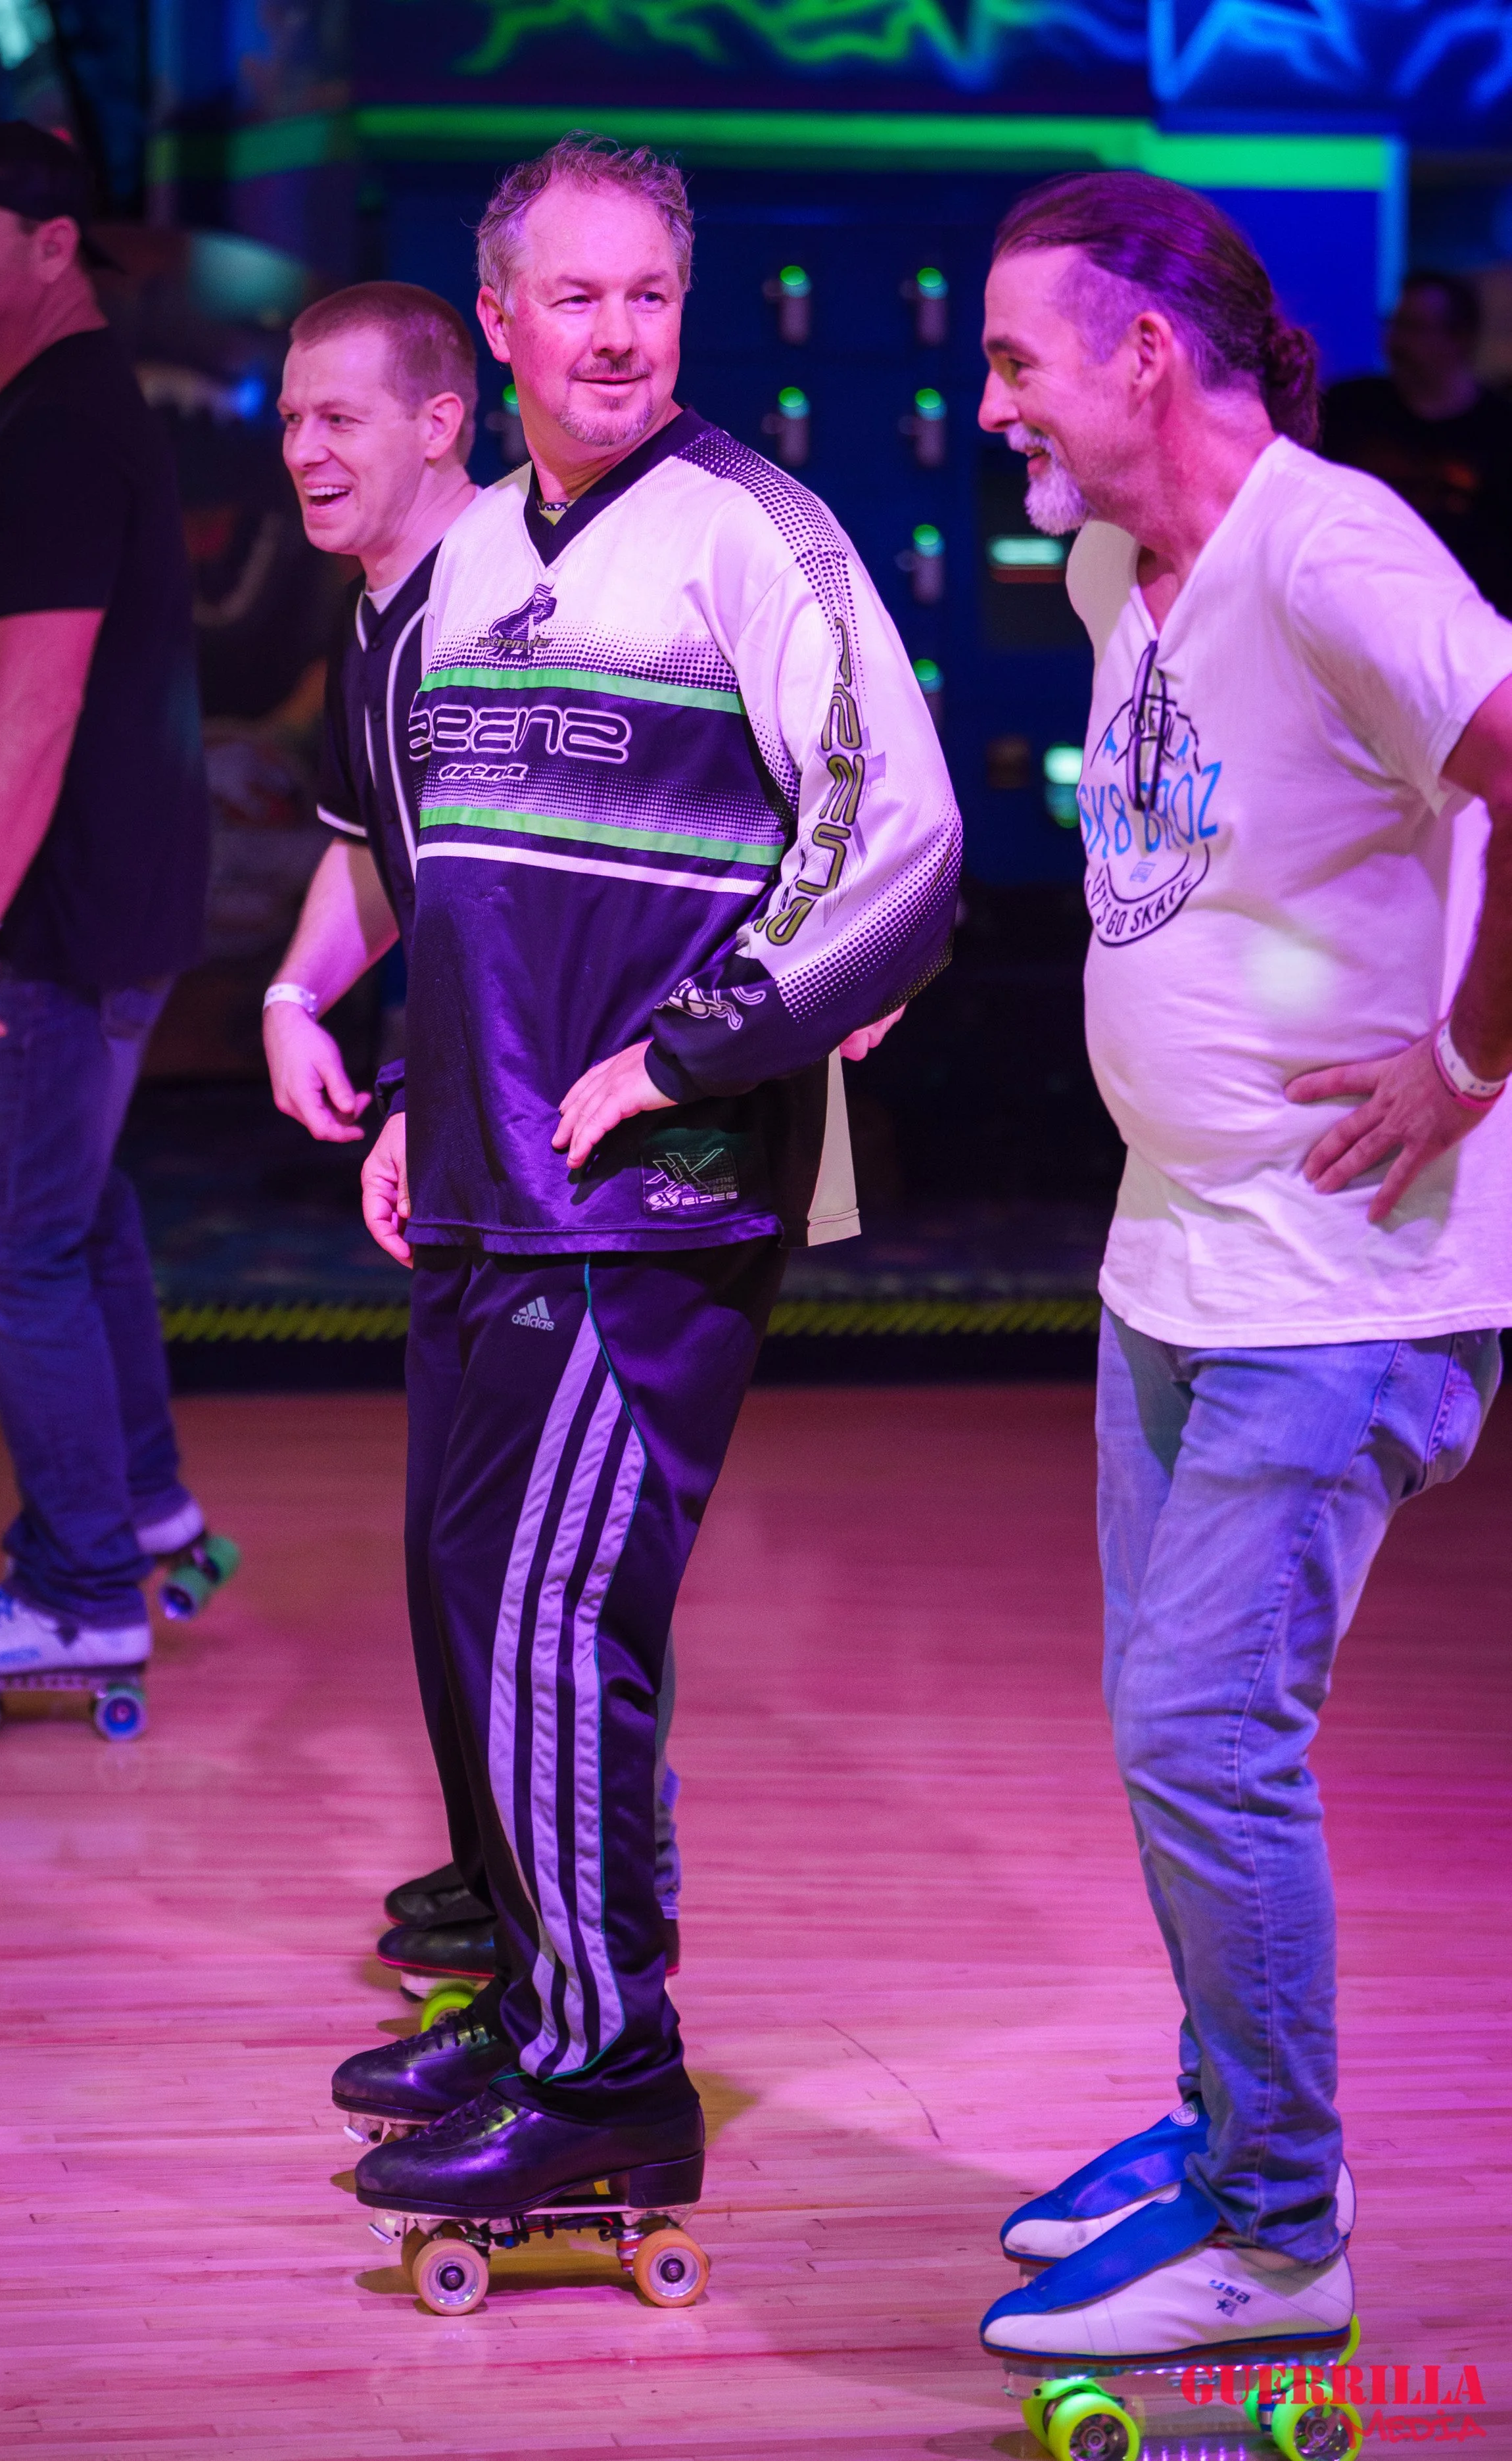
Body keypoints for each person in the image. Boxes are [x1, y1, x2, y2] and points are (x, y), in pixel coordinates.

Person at [331, 133, 960, 2216]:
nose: (617, 333)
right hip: (485, 1186)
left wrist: (691, 1049)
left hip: (654, 1193)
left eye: (649, 295)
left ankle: (610, 2077)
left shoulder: (751, 535)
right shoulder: (475, 560)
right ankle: (535, 1991)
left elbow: (906, 847)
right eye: (574, 297)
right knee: (470, 1600)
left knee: (555, 1605)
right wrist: (423, 1082)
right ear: (496, 319)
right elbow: (458, 886)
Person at [974, 170, 1511, 2368]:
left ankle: (1282, 2230)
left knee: (1209, 1732)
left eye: (1018, 357)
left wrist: (1472, 1053)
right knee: (1169, 1731)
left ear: (1144, 358)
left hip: (1342, 1286)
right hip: (1175, 1263)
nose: (989, 398)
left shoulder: (1336, 549)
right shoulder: (1124, 563)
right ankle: (1222, 2124)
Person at [260, 277, 688, 2032]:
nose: (301, 451)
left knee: (536, 1567)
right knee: (456, 1539)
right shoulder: (382, 624)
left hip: (584, 1159)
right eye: (287, 421)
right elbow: (386, 852)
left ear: (444, 422)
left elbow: (550, 896)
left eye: (336, 417)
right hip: (475, 1137)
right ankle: (499, 1869)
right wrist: (303, 989)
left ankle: (571, 1979)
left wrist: (439, 1078)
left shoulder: (506, 612)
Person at [0, 123, 213, 1682]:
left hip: (60, 911)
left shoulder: (64, 424)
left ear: (54, 247)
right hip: (85, 883)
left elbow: (46, 685)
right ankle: (138, 1505)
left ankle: (80, 1586)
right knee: (76, 1204)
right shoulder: (28, 412)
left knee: (5, 1231)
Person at [1321, 270, 1512, 615]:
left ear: (1460, 338)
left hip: (1470, 626)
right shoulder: (1348, 408)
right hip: (1356, 611)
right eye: (1395, 324)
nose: (1397, 341)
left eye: (1415, 327)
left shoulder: (1500, 430)